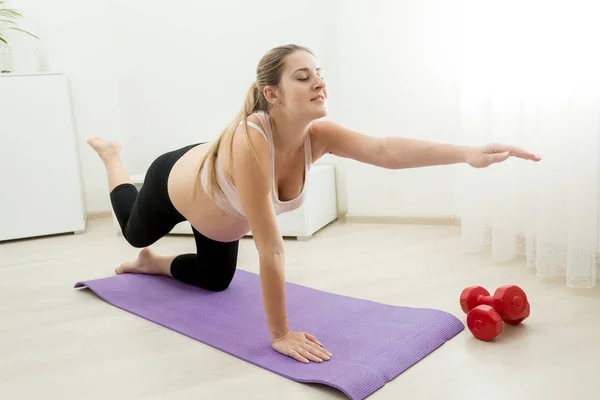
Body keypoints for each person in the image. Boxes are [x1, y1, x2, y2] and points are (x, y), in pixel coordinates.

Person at [87, 44, 541, 365]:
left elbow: (384, 150)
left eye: (319, 74)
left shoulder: (317, 137)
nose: (319, 83)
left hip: (218, 213)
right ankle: (114, 158)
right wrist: (280, 334)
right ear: (273, 94)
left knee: (216, 279)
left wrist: (465, 152)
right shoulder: (251, 139)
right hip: (176, 179)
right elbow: (270, 248)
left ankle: (152, 263)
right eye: (303, 77)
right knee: (132, 229)